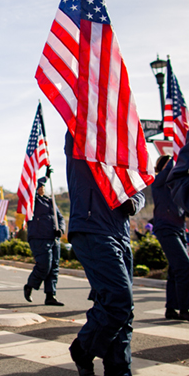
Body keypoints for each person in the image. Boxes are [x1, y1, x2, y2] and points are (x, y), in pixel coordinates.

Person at [65, 132, 145, 376]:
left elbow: (138, 186)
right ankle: (83, 349)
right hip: (92, 228)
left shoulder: (123, 150)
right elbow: (75, 127)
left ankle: (119, 369)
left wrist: (135, 201)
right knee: (119, 299)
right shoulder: (81, 136)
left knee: (122, 309)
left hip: (120, 232)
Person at [23, 175, 66, 306]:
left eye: (43, 187)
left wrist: (61, 230)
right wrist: (45, 177)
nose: (42, 189)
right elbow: (30, 189)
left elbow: (60, 218)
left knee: (54, 267)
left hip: (53, 238)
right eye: (40, 186)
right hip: (39, 237)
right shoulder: (32, 201)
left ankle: (50, 296)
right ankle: (30, 285)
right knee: (44, 265)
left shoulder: (50, 201)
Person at [162, 144, 189, 322]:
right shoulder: (158, 182)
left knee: (175, 270)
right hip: (165, 229)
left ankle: (171, 308)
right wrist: (174, 157)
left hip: (178, 229)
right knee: (183, 267)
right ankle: (185, 308)